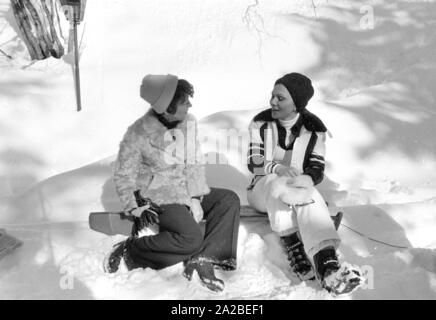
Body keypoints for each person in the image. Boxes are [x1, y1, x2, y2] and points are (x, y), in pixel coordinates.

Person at [104, 74, 240, 293]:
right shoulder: (138, 133)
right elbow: (123, 175)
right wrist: (135, 206)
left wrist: (196, 198)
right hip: (158, 195)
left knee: (228, 199)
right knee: (189, 239)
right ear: (167, 106)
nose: (190, 104)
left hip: (185, 190)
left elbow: (194, 164)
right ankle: (130, 250)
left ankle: (204, 259)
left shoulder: (188, 123)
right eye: (184, 101)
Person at [246, 72, 363, 295]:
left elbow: (317, 168)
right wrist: (278, 168)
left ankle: (328, 266)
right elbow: (254, 162)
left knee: (312, 195)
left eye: (280, 98)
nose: (272, 101)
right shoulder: (260, 123)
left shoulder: (314, 128)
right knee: (275, 182)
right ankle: (291, 242)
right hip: (261, 190)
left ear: (296, 103)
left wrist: (306, 179)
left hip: (295, 191)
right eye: (272, 96)